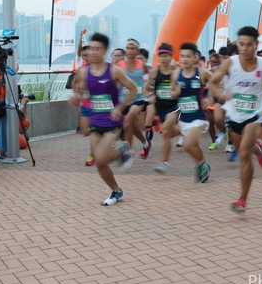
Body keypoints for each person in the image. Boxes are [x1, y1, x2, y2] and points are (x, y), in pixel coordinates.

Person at [208, 26, 262, 212]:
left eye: (249, 45)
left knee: (243, 155)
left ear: (256, 45)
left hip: (255, 114)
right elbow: (212, 82)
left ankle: (242, 199)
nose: (244, 48)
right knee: (242, 149)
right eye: (241, 44)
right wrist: (220, 95)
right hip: (234, 114)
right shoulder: (230, 63)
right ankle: (258, 150)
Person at [69, 33, 139, 206]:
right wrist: (78, 98)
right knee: (99, 163)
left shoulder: (114, 70)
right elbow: (76, 85)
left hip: (112, 122)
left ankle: (123, 149)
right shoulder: (84, 71)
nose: (93, 52)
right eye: (91, 48)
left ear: (105, 51)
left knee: (101, 159)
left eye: (97, 49)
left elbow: (133, 89)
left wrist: (119, 108)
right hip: (95, 121)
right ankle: (116, 191)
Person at [170, 42, 213, 182]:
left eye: (188, 56)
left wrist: (210, 97)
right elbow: (172, 94)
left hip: (200, 117)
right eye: (182, 56)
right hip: (184, 118)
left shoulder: (201, 73)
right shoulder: (176, 74)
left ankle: (202, 165)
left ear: (195, 58)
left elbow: (217, 81)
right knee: (191, 146)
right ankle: (203, 164)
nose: (184, 59)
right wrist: (175, 93)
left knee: (188, 144)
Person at [144, 43, 180, 174]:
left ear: (171, 57)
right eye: (161, 56)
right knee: (169, 133)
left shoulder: (175, 72)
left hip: (173, 107)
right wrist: (150, 95)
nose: (163, 58)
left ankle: (163, 163)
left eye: (166, 56)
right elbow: (146, 88)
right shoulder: (154, 72)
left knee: (165, 133)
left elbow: (181, 88)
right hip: (159, 106)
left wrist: (175, 92)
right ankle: (183, 129)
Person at [119, 38, 152, 159]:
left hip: (139, 99)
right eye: (128, 48)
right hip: (125, 99)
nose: (130, 50)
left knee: (127, 121)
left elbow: (152, 76)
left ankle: (129, 151)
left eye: (132, 48)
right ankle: (146, 143)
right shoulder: (120, 65)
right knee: (131, 126)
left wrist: (149, 89)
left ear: (137, 51)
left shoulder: (142, 66)